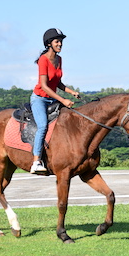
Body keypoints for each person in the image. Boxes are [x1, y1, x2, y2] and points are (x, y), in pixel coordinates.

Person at [30, 28, 80, 174]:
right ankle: (36, 162)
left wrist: (72, 92)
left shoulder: (59, 59)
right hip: (39, 99)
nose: (60, 44)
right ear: (49, 43)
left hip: (52, 98)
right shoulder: (43, 60)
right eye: (57, 41)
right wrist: (63, 100)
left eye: (61, 41)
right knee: (43, 126)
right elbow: (44, 86)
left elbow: (57, 82)